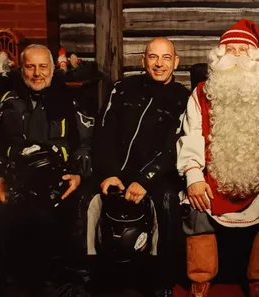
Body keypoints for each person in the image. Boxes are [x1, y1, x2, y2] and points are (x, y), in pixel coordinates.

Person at [176, 19, 259, 297]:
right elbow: (190, 135)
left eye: (243, 50)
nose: (236, 55)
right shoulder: (201, 94)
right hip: (214, 176)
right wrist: (193, 176)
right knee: (195, 204)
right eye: (230, 49)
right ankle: (201, 277)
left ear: (256, 57)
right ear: (219, 56)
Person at [0, 44, 93, 294]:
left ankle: (60, 286)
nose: (37, 73)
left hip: (59, 179)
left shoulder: (71, 100)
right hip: (15, 179)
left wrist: (78, 175)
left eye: (43, 67)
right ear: (22, 69)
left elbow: (85, 145)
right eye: (30, 67)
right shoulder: (7, 100)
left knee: (62, 226)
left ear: (53, 69)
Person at [90, 37, 190, 297]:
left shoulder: (184, 98)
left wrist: (145, 180)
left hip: (158, 175)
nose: (159, 64)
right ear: (143, 60)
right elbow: (103, 132)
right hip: (115, 173)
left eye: (166, 58)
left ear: (176, 62)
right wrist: (108, 173)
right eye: (153, 57)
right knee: (84, 202)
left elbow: (175, 147)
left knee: (168, 200)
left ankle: (163, 281)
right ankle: (87, 278)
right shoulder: (122, 88)